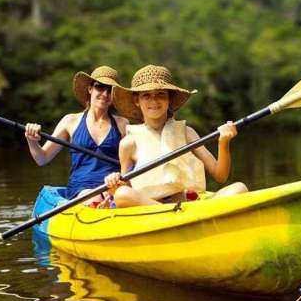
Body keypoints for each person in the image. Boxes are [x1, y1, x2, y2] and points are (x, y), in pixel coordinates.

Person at [103, 65, 248, 207]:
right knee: (122, 194)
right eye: (146, 95)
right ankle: (169, 212)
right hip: (151, 209)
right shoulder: (128, 143)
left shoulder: (187, 132)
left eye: (160, 94)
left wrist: (224, 142)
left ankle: (179, 213)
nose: (154, 101)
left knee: (239, 188)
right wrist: (115, 184)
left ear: (170, 99)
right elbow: (128, 187)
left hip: (186, 205)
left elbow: (220, 175)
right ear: (137, 101)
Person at [24, 66, 130, 198]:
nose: (105, 94)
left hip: (113, 187)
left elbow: (132, 164)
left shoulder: (123, 124)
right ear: (90, 89)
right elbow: (42, 158)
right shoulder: (70, 121)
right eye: (100, 87)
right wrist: (32, 141)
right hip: (81, 190)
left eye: (110, 90)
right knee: (94, 197)